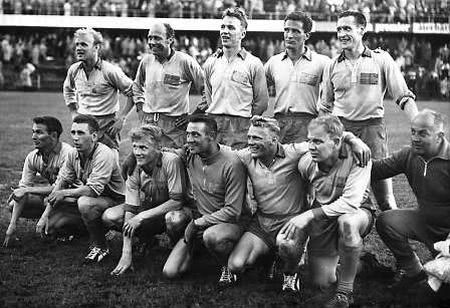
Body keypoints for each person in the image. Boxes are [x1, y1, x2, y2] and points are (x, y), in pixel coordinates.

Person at [226, 116, 371, 292]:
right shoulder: (246, 156)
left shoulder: (294, 153)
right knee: (235, 265)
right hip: (262, 222)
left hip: (292, 220)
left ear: (274, 140)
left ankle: (290, 273)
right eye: (249, 137)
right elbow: (223, 152)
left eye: (257, 138)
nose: (250, 143)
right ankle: (270, 258)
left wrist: (353, 140)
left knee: (288, 247)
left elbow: (329, 137)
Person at [320, 10, 418, 211]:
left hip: (373, 132)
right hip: (342, 134)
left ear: (362, 30)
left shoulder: (381, 59)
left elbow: (403, 96)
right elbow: (325, 107)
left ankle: (395, 234)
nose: (341, 34)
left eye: (347, 28)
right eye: (339, 29)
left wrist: (418, 122)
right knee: (337, 196)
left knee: (385, 199)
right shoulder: (331, 65)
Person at [278, 115, 374, 308]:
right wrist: (305, 218)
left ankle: (345, 292)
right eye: (309, 140)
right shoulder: (306, 163)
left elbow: (350, 203)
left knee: (347, 223)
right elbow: (306, 194)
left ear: (337, 141)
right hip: (324, 216)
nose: (311, 146)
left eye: (318, 141)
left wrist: (309, 215)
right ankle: (362, 263)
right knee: (321, 282)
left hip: (357, 212)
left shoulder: (359, 156)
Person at [162, 114, 247, 286]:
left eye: (195, 135)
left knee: (213, 236)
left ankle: (228, 266)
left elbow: (233, 211)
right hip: (201, 219)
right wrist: (132, 157)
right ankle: (197, 251)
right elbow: (160, 153)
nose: (189, 140)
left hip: (231, 223)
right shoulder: (191, 153)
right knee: (170, 272)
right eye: (188, 134)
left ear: (212, 136)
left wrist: (198, 223)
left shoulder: (232, 163)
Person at [374, 110, 450, 298]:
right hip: (425, 223)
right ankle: (413, 271)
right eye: (413, 132)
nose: (415, 138)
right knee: (386, 221)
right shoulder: (409, 155)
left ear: (440, 136)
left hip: (449, 234)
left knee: (441, 293)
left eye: (422, 133)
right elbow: (375, 170)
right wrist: (349, 150)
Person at [102, 125, 190, 276]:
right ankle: (146, 240)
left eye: (143, 147)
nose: (137, 152)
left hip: (177, 211)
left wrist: (141, 216)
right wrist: (126, 253)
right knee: (110, 216)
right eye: (135, 147)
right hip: (152, 210)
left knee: (174, 219)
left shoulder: (171, 161)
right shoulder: (134, 166)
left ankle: (180, 247)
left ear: (158, 147)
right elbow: (131, 209)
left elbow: (177, 202)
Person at [37, 115, 125, 263]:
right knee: (53, 226)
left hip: (116, 202)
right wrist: (45, 215)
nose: (75, 138)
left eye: (81, 133)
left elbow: (92, 190)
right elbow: (62, 181)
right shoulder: (73, 153)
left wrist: (63, 193)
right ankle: (92, 231)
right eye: (73, 133)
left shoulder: (104, 153)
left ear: (94, 136)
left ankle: (100, 245)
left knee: (85, 203)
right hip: (96, 200)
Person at [203, 7, 269, 149]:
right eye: (223, 27)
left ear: (242, 33)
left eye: (231, 28)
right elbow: (209, 96)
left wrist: (242, 122)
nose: (225, 31)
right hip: (214, 125)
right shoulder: (211, 62)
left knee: (237, 168)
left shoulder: (253, 63)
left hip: (240, 128)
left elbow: (262, 102)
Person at [133, 22, 205, 148]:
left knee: (171, 164)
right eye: (150, 38)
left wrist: (194, 116)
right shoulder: (146, 61)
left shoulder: (185, 62)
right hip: (148, 124)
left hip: (174, 128)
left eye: (157, 38)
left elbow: (208, 91)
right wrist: (140, 108)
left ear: (170, 40)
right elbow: (137, 87)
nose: (152, 42)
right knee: (148, 164)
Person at [3, 116, 72, 247]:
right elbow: (20, 192)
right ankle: (53, 217)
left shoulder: (68, 153)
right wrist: (11, 226)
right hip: (54, 198)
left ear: (53, 135)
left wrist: (27, 190)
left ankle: (84, 227)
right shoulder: (32, 157)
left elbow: (60, 188)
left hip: (72, 198)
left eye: (39, 132)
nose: (33, 137)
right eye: (33, 132)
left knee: (53, 227)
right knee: (13, 205)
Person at [63, 28, 134, 152]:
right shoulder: (74, 70)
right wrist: (74, 112)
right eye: (77, 44)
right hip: (83, 124)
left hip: (107, 126)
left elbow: (134, 92)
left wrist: (122, 118)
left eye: (84, 44)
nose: (79, 48)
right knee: (83, 165)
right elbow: (68, 90)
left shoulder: (110, 71)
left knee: (109, 165)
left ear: (96, 47)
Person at [265, 11, 331, 143]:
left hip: (308, 125)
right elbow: (256, 88)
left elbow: (336, 92)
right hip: (279, 125)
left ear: (306, 35)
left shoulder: (322, 62)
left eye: (295, 31)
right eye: (286, 30)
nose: (289, 35)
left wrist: (324, 115)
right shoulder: (274, 62)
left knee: (305, 163)